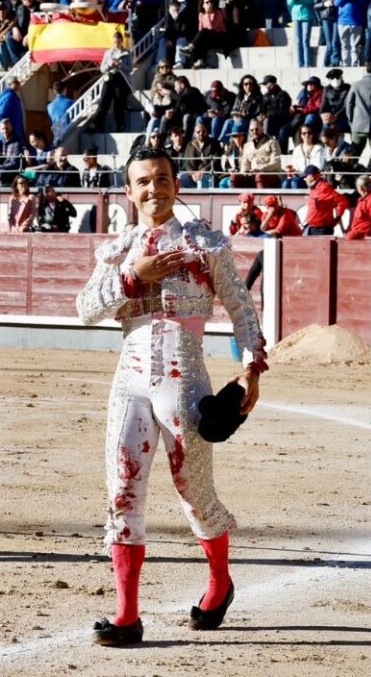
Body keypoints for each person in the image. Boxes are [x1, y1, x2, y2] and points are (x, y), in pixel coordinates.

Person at [76, 147, 266, 647]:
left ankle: (219, 584)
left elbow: (242, 310)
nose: (153, 188)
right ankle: (126, 615)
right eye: (143, 181)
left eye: (162, 178)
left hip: (185, 378)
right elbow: (85, 310)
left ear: (176, 184)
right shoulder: (118, 250)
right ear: (128, 191)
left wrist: (252, 369)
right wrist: (133, 276)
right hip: (129, 380)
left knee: (194, 493)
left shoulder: (205, 244)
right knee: (122, 491)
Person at [346, 175, 371, 239]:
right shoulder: (365, 199)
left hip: (366, 235)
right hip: (363, 233)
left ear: (360, 188)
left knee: (349, 236)